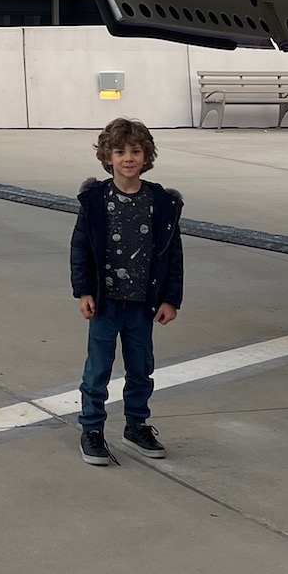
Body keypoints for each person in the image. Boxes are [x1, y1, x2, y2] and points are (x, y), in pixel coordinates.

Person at [70, 117, 183, 466]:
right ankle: (91, 429)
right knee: (98, 369)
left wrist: (170, 298)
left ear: (146, 156)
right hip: (105, 304)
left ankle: (136, 425)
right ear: (108, 157)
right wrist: (84, 290)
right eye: (120, 152)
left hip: (142, 305)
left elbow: (172, 253)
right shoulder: (95, 200)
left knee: (140, 368)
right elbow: (80, 248)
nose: (128, 158)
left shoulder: (160, 202)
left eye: (135, 151)